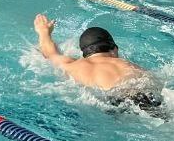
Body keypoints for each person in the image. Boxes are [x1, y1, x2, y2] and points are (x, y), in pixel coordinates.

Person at [33, 16, 162, 111]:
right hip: (139, 98)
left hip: (107, 102)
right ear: (114, 49)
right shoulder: (130, 66)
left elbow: (50, 54)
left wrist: (44, 32)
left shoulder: (72, 66)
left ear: (85, 54)